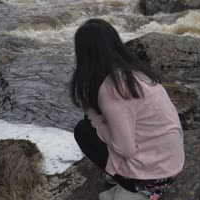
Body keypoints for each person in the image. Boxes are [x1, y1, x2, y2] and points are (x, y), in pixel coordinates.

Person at [71, 19, 185, 200]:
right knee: (95, 121)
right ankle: (125, 179)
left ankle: (133, 186)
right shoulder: (135, 73)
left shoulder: (113, 88)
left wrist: (93, 116)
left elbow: (125, 149)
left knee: (84, 130)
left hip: (153, 177)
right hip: (171, 164)